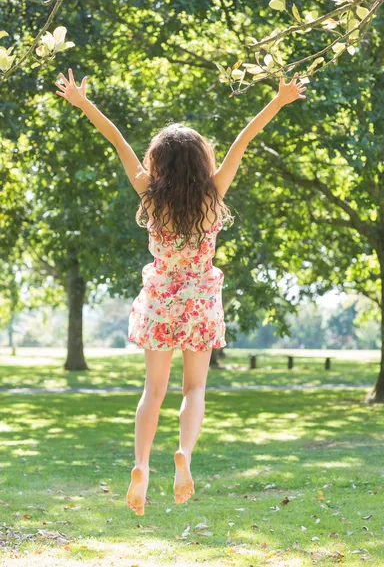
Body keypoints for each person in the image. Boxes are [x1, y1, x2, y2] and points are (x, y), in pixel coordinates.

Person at [54, 67, 307, 515]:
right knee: (195, 389)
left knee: (153, 391)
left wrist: (82, 102)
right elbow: (243, 140)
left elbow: (118, 141)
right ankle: (184, 456)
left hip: (159, 299)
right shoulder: (213, 193)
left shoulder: (150, 195)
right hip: (200, 301)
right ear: (200, 160)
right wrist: (280, 100)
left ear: (159, 162)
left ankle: (141, 465)